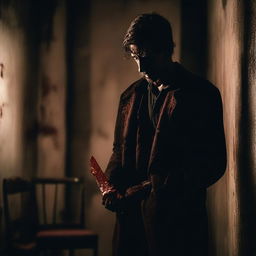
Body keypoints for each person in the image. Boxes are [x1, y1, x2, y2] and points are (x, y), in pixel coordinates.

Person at [102, 13, 227, 256]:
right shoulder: (130, 97)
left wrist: (152, 187)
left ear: (167, 49)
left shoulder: (200, 94)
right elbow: (119, 150)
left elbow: (212, 163)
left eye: (146, 56)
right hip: (132, 223)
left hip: (178, 224)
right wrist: (111, 185)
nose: (140, 67)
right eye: (135, 57)